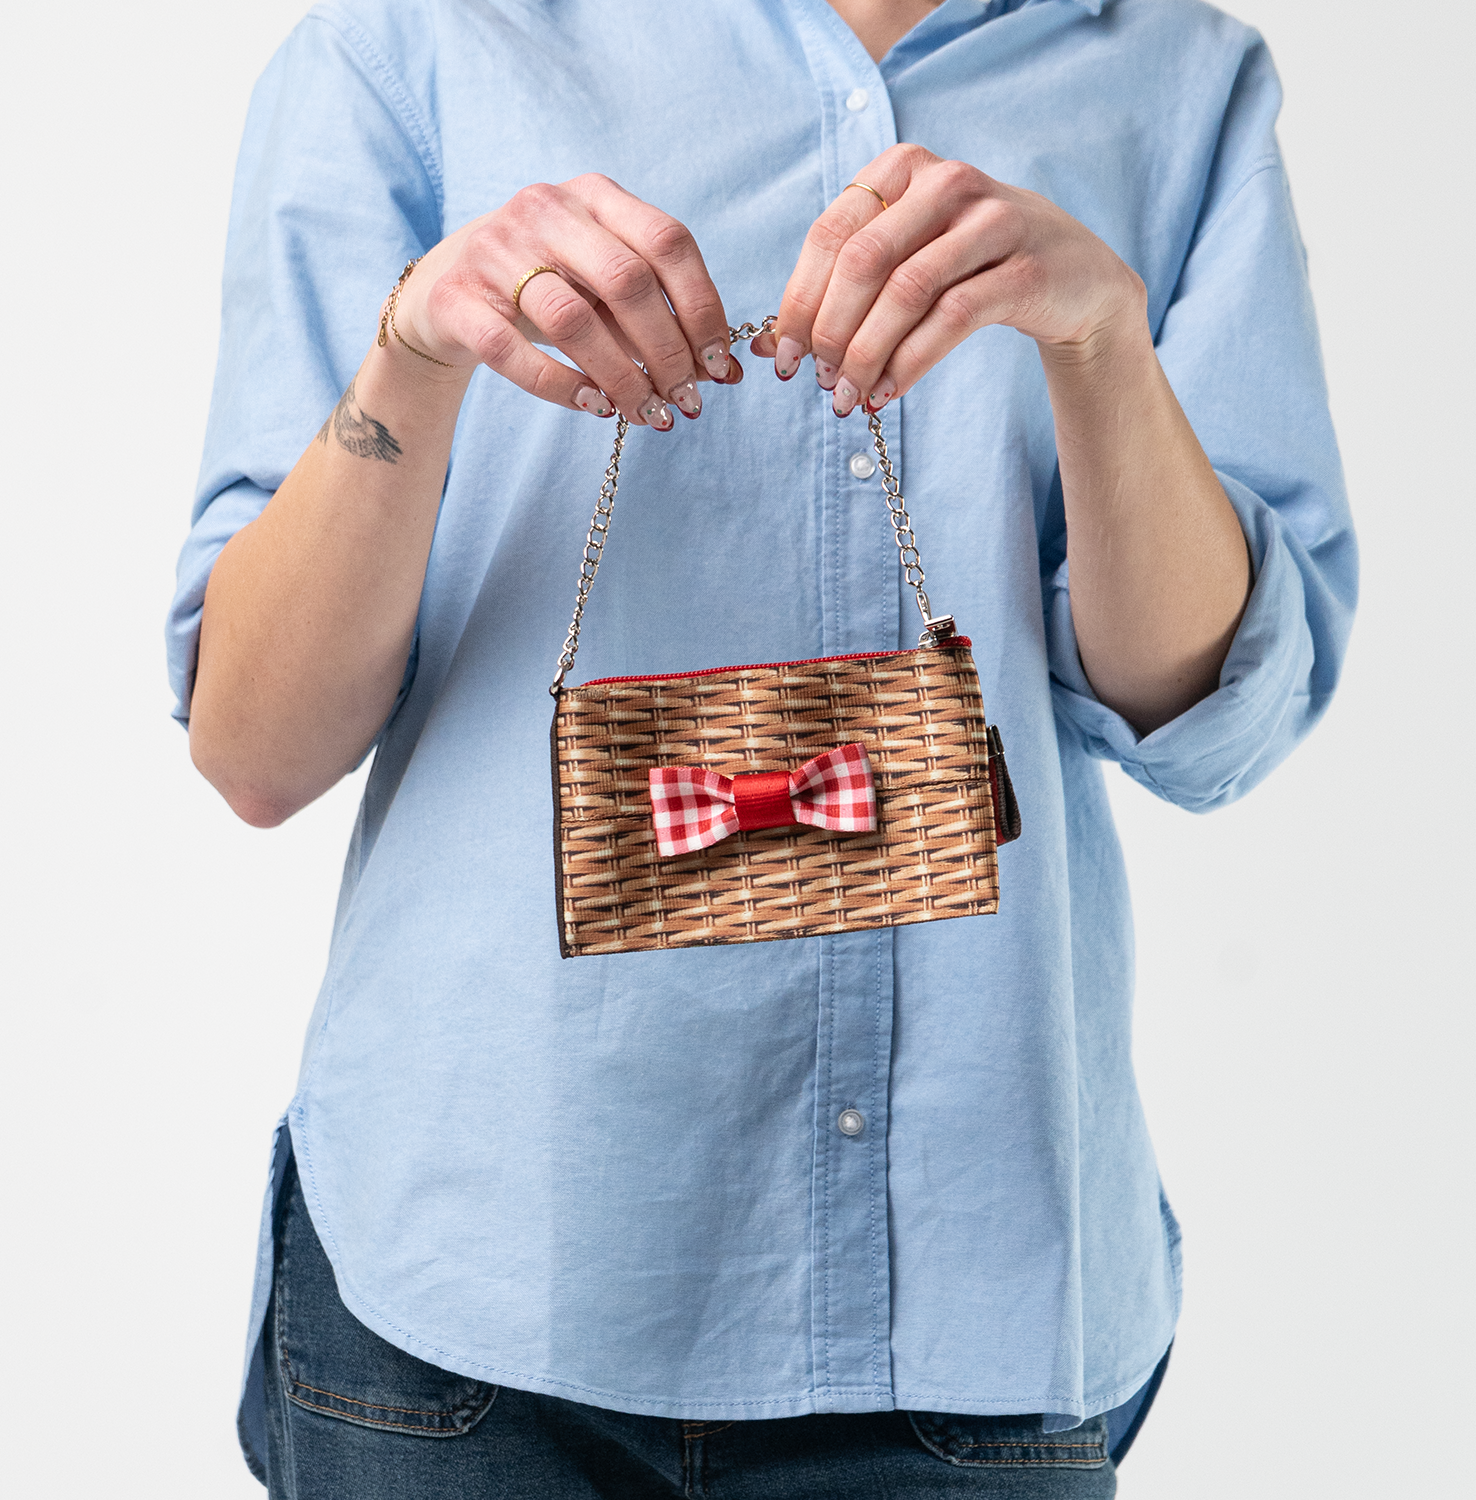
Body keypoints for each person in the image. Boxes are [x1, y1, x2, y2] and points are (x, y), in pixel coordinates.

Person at [168, 1, 1356, 1494]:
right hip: (472, 1290)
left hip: (968, 1303)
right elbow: (255, 751)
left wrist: (1101, 340)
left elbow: (1209, 724)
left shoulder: (1176, 80)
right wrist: (416, 347)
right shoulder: (413, 49)